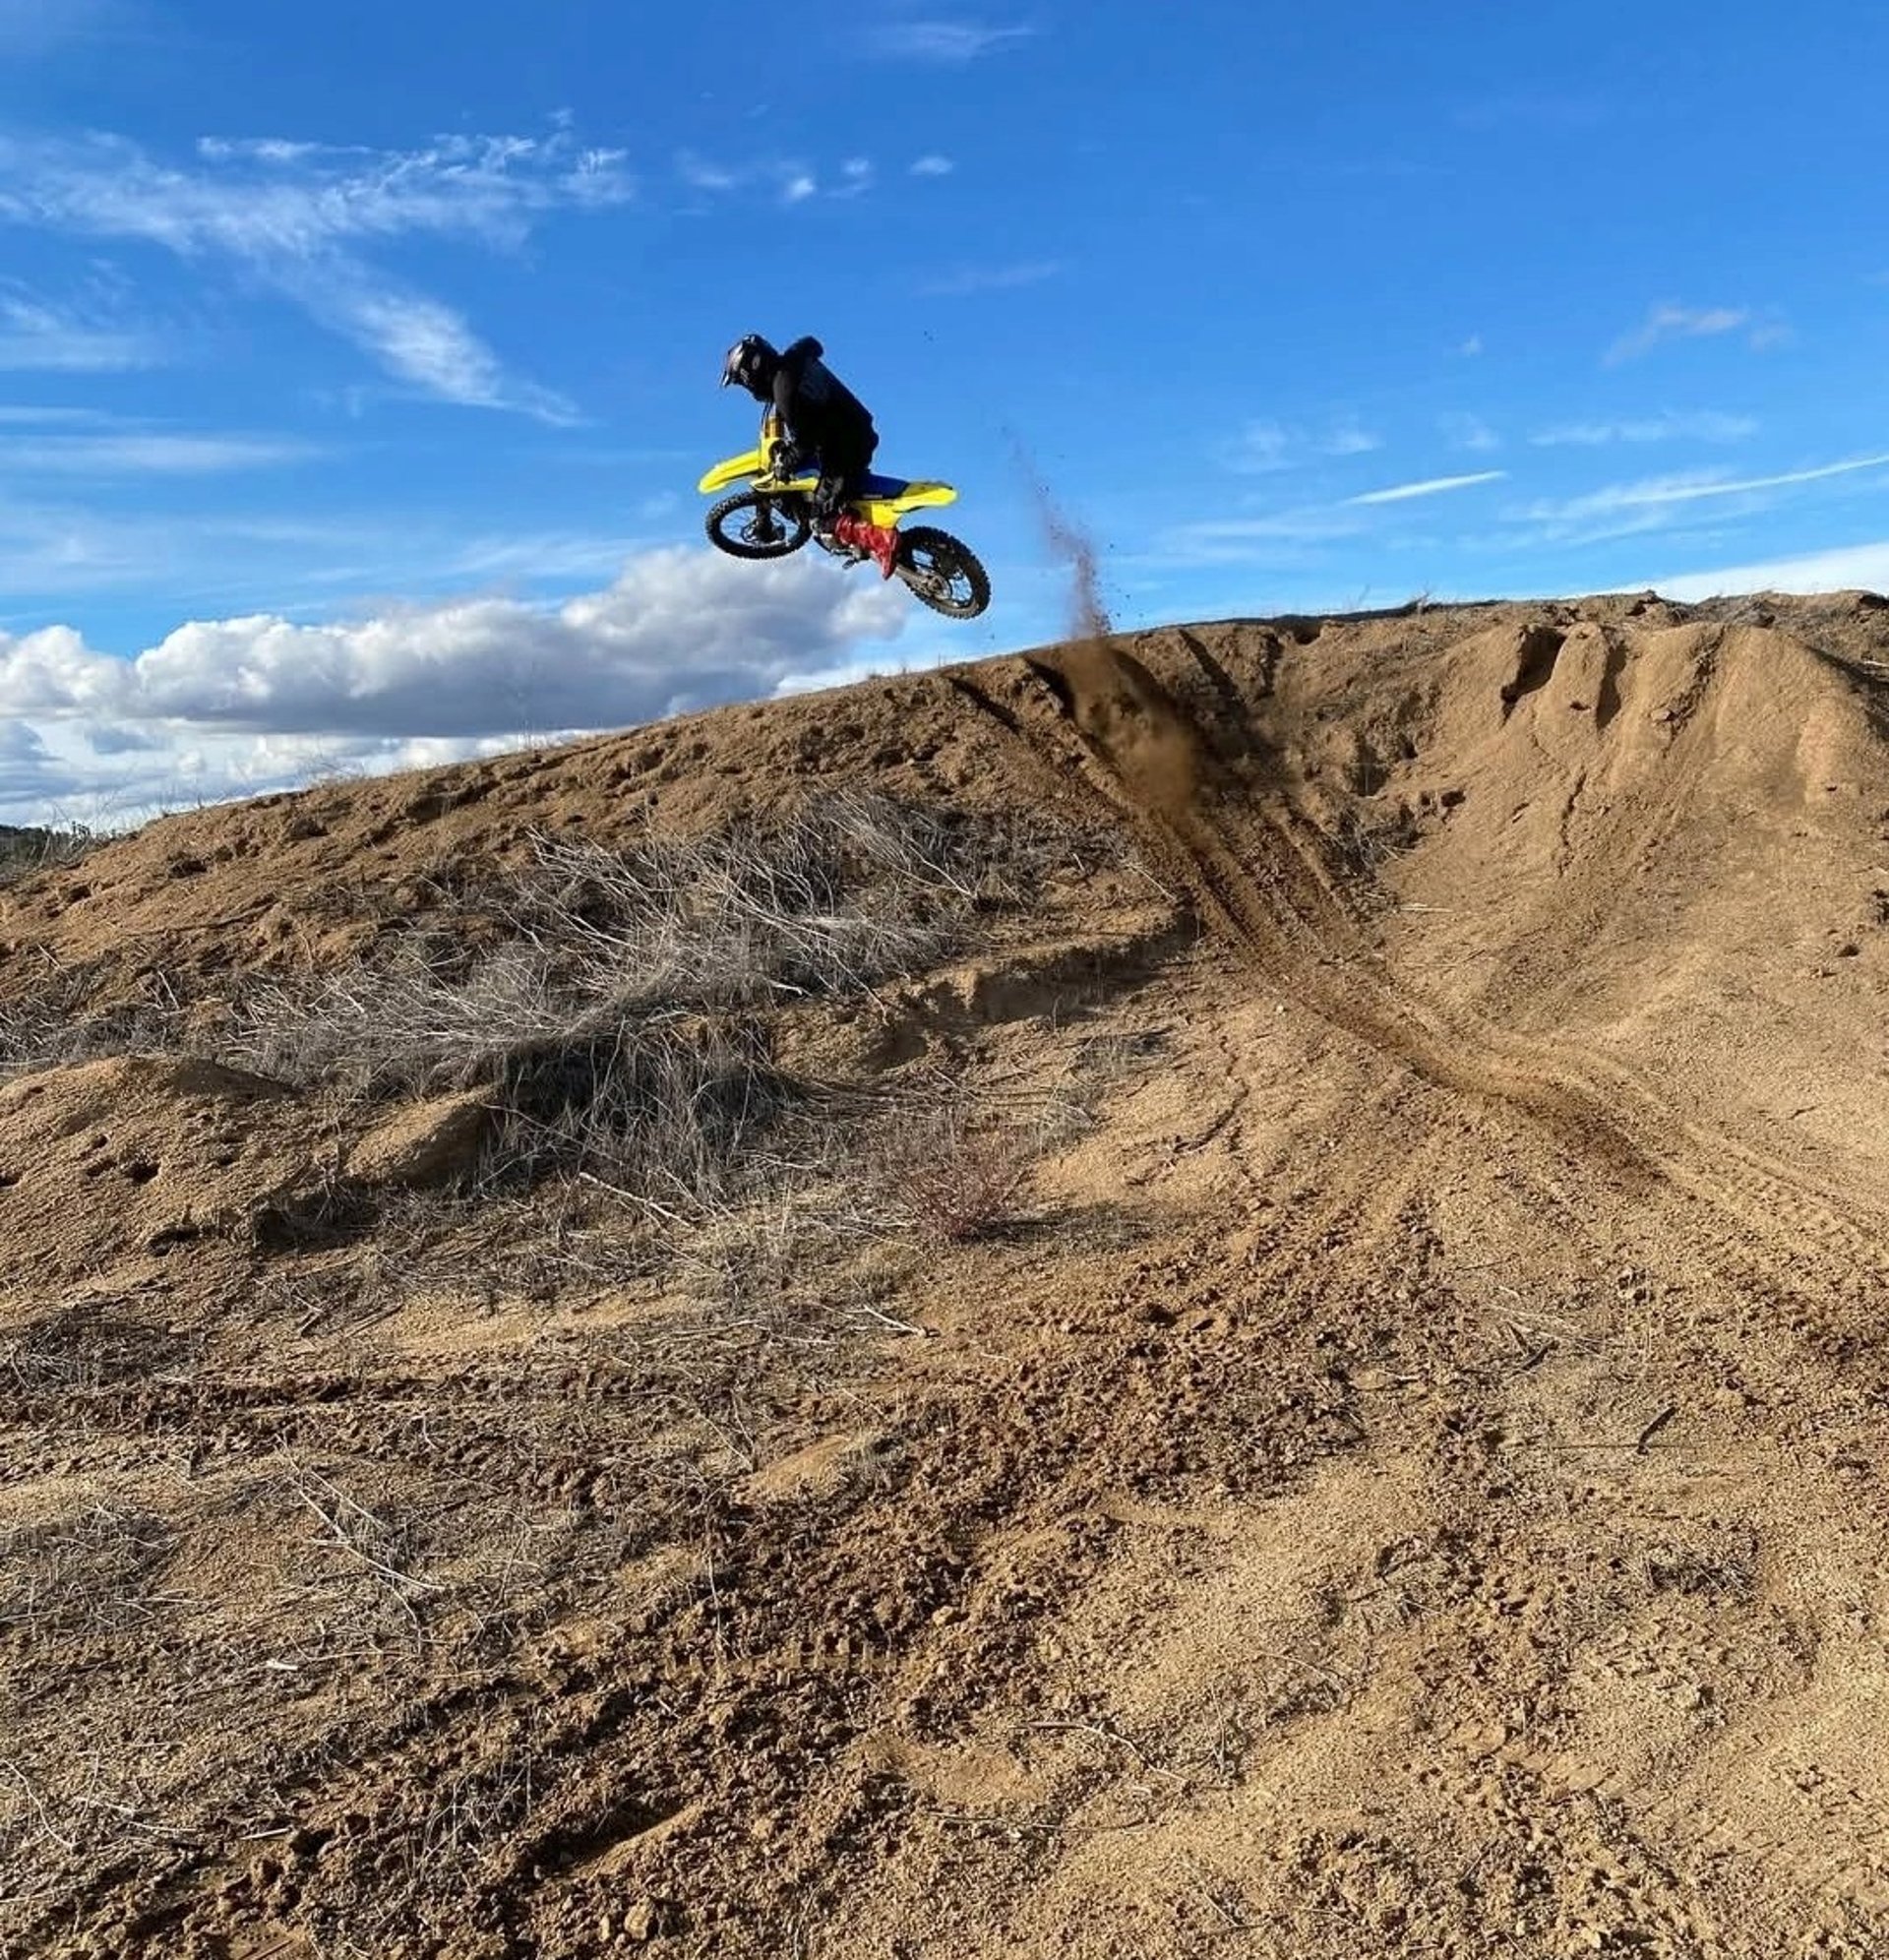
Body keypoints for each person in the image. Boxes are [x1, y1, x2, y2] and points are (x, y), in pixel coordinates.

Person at [719, 334, 901, 577]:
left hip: (845, 447)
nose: (747, 388)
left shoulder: (784, 392)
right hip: (854, 427)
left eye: (743, 382)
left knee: (820, 519)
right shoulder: (795, 358)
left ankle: (882, 540)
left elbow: (805, 442)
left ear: (751, 372)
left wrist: (785, 464)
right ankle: (856, 527)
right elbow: (813, 344)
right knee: (833, 491)